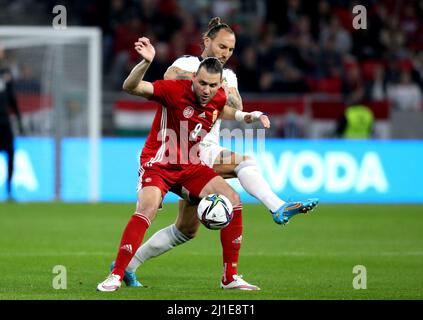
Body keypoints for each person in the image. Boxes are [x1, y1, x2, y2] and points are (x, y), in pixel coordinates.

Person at [123, 17, 319, 291]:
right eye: (222, 46)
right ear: (207, 42)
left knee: (185, 230)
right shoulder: (190, 64)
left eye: (230, 49)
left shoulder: (229, 76)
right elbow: (170, 80)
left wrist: (229, 94)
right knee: (244, 163)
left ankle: (128, 265)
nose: (226, 53)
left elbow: (236, 103)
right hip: (189, 147)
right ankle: (277, 207)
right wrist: (206, 83)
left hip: (203, 150)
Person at [96, 37, 270, 292]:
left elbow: (223, 110)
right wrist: (145, 63)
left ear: (219, 84)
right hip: (159, 161)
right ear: (193, 79)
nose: (206, 90)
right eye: (201, 83)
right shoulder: (174, 89)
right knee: (149, 208)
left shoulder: (219, 96)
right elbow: (131, 86)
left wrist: (248, 116)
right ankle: (116, 274)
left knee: (232, 199)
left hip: (189, 164)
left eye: (212, 85)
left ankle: (229, 277)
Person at [0, 46, 23, 201]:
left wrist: (19, 120)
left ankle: (9, 190)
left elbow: (12, 98)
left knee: (11, 154)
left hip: (4, 122)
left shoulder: (6, 73)